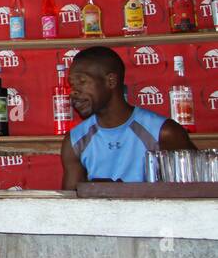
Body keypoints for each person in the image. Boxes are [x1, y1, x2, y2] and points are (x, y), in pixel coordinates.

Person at [61, 46, 196, 188]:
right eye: (72, 84)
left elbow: (196, 194)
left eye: (82, 82)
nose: (74, 92)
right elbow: (71, 206)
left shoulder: (163, 132)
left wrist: (118, 191)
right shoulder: (74, 140)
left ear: (111, 81)